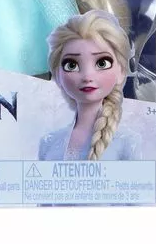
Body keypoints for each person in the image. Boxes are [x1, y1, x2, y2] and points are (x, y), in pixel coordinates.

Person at [39, 10, 143, 160]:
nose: (87, 76)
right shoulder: (48, 142)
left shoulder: (128, 142)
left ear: (121, 71)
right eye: (71, 65)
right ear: (57, 74)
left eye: (102, 63)